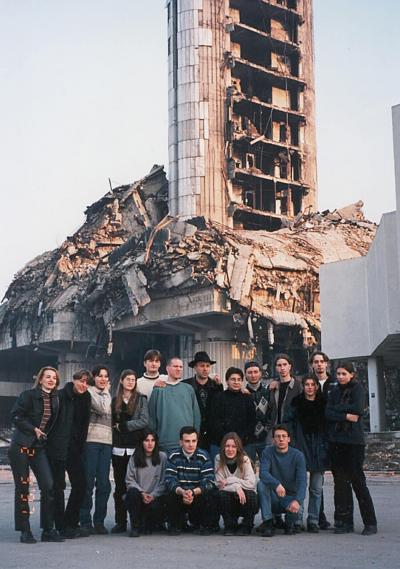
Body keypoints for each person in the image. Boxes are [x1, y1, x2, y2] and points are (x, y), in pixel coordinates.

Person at [8, 366, 64, 544]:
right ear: (40, 379)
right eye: (47, 377)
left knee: (48, 486)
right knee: (23, 489)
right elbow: (16, 416)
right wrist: (34, 430)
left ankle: (48, 530)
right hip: (21, 446)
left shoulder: (55, 399)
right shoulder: (28, 395)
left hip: (38, 448)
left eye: (54, 378)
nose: (51, 380)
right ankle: (25, 530)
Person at [326, 362, 378, 536]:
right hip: (336, 441)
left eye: (343, 374)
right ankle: (345, 522)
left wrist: (337, 411)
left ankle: (370, 523)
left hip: (354, 443)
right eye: (338, 374)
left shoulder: (358, 390)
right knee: (340, 483)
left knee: (357, 481)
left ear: (351, 374)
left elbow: (358, 409)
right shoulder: (334, 392)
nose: (340, 376)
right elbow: (327, 413)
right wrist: (346, 415)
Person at [46, 369, 92, 538]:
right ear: (73, 380)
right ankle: (60, 526)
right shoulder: (59, 395)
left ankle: (70, 522)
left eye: (87, 382)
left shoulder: (86, 397)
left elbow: (84, 425)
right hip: (58, 447)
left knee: (81, 485)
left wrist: (80, 447)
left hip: (74, 449)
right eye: (81, 381)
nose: (84, 385)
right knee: (58, 488)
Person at [284, 376, 329, 533]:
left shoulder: (324, 402)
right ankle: (297, 519)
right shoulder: (296, 403)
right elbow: (287, 422)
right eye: (307, 384)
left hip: (319, 449)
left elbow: (329, 425)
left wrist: (325, 446)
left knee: (316, 488)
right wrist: (293, 443)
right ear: (303, 386)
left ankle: (313, 520)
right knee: (299, 487)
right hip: (301, 448)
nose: (310, 387)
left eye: (312, 384)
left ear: (317, 386)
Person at [111, 369, 149, 533]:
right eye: (128, 379)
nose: (131, 382)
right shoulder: (114, 401)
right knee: (120, 487)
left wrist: (124, 426)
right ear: (121, 381)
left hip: (135, 448)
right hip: (119, 449)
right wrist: (119, 428)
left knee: (135, 486)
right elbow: (112, 425)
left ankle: (137, 521)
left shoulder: (141, 399)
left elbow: (144, 421)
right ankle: (120, 522)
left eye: (133, 379)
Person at [165, 426, 216, 535]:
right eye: (187, 441)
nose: (191, 444)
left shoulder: (204, 456)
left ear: (197, 441)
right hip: (180, 494)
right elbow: (170, 480)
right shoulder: (173, 456)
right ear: (180, 442)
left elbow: (209, 482)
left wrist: (192, 492)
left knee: (210, 494)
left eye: (194, 441)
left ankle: (204, 525)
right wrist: (182, 492)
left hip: (197, 495)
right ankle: (175, 525)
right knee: (170, 494)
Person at [257, 424, 307, 537]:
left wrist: (298, 501)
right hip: (273, 496)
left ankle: (289, 524)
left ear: (289, 439)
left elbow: (302, 481)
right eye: (278, 436)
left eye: (284, 436)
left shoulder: (298, 456)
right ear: (273, 439)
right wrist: (277, 484)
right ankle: (268, 522)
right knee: (261, 485)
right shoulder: (267, 452)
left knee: (295, 514)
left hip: (290, 497)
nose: (281, 439)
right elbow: (263, 473)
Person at [80, 365, 112, 534]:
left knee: (104, 484)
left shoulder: (106, 395)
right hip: (91, 441)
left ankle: (99, 521)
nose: (103, 379)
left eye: (106, 376)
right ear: (94, 377)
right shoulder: (90, 392)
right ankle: (84, 520)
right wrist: (106, 391)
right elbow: (103, 408)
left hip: (106, 442)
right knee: (88, 482)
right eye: (100, 376)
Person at [148, 357, 201, 452]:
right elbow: (151, 419)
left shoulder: (188, 389)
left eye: (181, 367)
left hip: (187, 443)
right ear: (167, 368)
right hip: (165, 444)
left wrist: (194, 439)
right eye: (175, 366)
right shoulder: (158, 390)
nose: (178, 369)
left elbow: (196, 416)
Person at [309, 350, 336, 530]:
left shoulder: (335, 382)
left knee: (340, 477)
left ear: (326, 364)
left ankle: (342, 517)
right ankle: (319, 517)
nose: (319, 364)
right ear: (312, 365)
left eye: (322, 361)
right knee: (316, 479)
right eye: (315, 361)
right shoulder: (307, 383)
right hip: (314, 435)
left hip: (333, 435)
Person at [207, 367, 256, 462]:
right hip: (220, 442)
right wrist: (227, 440)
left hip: (243, 442)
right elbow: (214, 421)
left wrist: (240, 440)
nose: (236, 382)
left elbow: (252, 421)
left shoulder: (247, 398)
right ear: (227, 381)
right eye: (233, 379)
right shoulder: (218, 398)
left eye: (239, 380)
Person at [124, 429, 167, 537]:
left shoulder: (162, 457)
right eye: (146, 440)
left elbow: (164, 481)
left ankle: (151, 523)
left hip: (155, 498)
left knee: (148, 528)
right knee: (132, 493)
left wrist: (153, 495)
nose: (150, 443)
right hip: (139, 496)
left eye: (152, 440)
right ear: (141, 442)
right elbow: (129, 480)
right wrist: (142, 493)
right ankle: (135, 527)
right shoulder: (134, 458)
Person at [215, 432, 258, 536]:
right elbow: (219, 485)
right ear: (223, 447)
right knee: (221, 495)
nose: (230, 449)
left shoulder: (245, 459)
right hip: (229, 497)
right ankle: (230, 525)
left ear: (238, 448)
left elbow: (251, 484)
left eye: (234, 446)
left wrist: (231, 480)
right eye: (227, 446)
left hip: (245, 499)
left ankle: (247, 525)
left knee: (251, 495)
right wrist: (236, 486)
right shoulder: (218, 458)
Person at [183, 351, 223, 450]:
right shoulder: (185, 385)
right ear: (195, 367)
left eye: (207, 366)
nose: (205, 369)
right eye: (202, 366)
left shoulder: (216, 385)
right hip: (193, 431)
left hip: (212, 433)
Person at [243, 361, 270, 462]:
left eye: (255, 372)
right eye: (249, 372)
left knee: (268, 469)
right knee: (249, 470)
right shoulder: (242, 393)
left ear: (260, 373)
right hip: (248, 440)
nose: (253, 375)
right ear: (245, 375)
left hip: (266, 438)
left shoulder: (269, 391)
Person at [268, 354, 302, 430]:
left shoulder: (298, 386)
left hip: (292, 430)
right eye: (279, 365)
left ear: (289, 366)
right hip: (275, 429)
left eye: (285, 364)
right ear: (276, 368)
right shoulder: (273, 387)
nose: (282, 368)